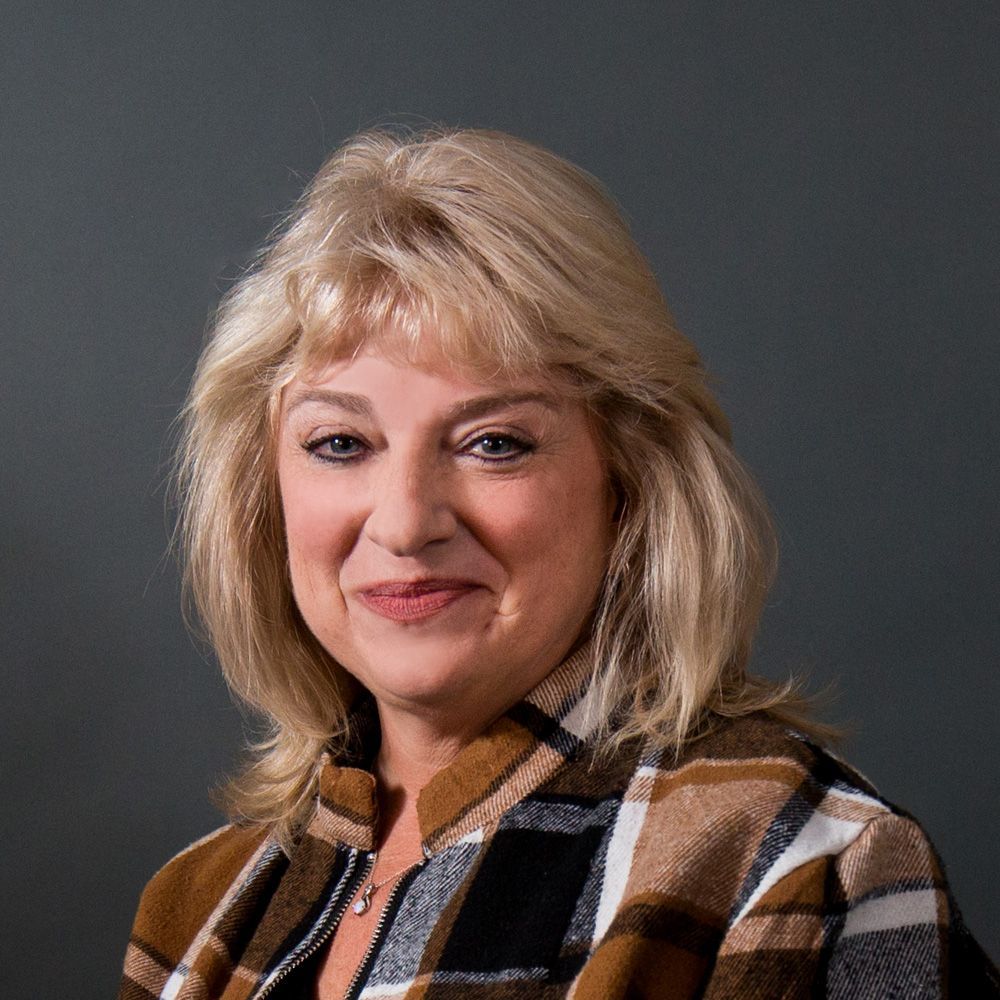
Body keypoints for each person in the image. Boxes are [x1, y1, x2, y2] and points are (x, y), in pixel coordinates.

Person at [119, 127, 997, 1000]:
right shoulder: (199, 912)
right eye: (341, 443)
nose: (405, 522)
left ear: (629, 482)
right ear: (263, 499)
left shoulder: (800, 868)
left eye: (493, 442)